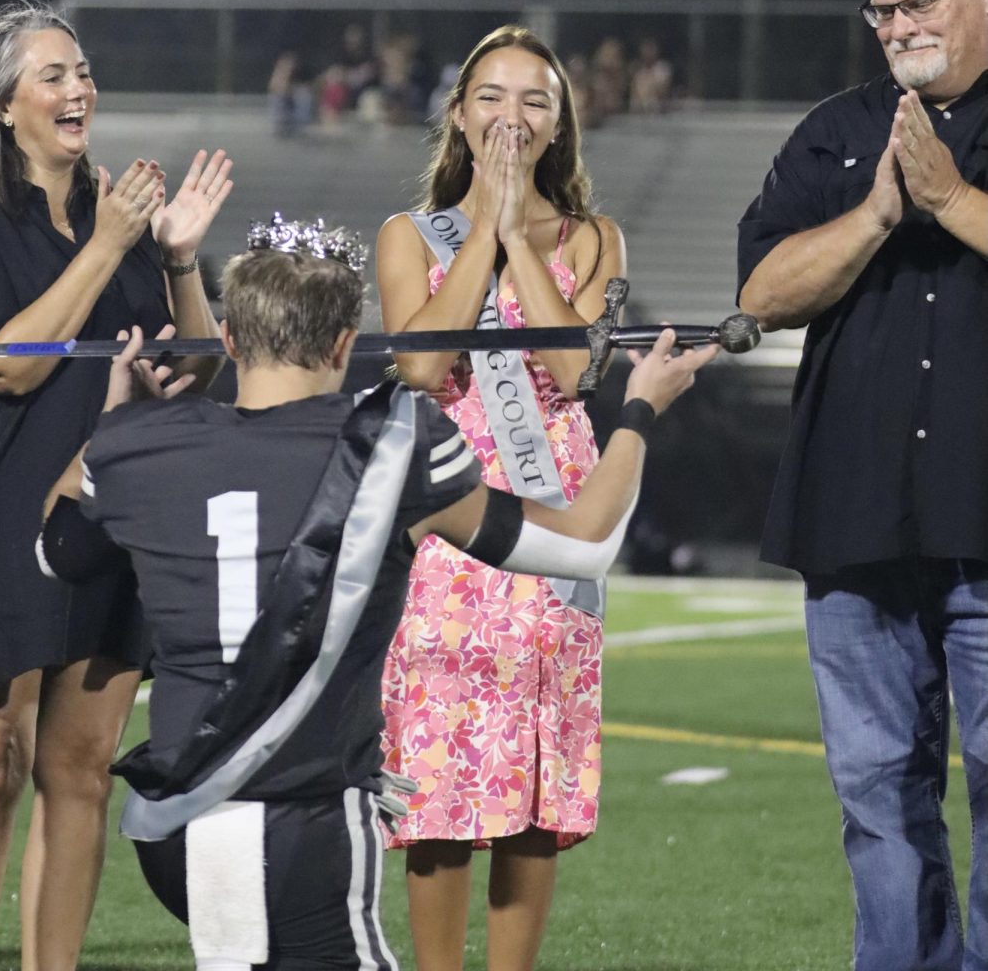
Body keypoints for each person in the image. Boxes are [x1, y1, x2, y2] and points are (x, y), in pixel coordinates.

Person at [38, 223, 717, 970]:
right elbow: (584, 543)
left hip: (173, 823)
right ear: (342, 344)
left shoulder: (138, 443)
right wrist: (641, 409)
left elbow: (58, 552)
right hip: (299, 822)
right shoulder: (392, 445)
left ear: (228, 339)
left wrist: (108, 425)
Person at [0, 0, 232, 971]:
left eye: (82, 71)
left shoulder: (125, 221)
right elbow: (6, 365)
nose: (77, 88)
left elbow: (202, 365)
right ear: (4, 106)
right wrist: (104, 246)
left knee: (80, 769)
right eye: (52, 74)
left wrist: (174, 259)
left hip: (104, 513)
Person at [737, 0, 988, 971]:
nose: (894, 26)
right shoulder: (834, 132)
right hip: (852, 524)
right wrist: (877, 217)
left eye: (916, 2)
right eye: (879, 9)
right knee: (876, 799)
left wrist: (952, 200)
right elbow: (757, 290)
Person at [374, 24, 627, 971]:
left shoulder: (595, 238)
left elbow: (572, 368)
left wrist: (522, 235)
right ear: (459, 114)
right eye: (491, 95)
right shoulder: (411, 236)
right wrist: (483, 229)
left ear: (560, 124)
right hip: (446, 524)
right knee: (436, 775)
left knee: (533, 782)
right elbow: (422, 364)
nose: (510, 115)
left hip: (557, 521)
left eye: (534, 99)